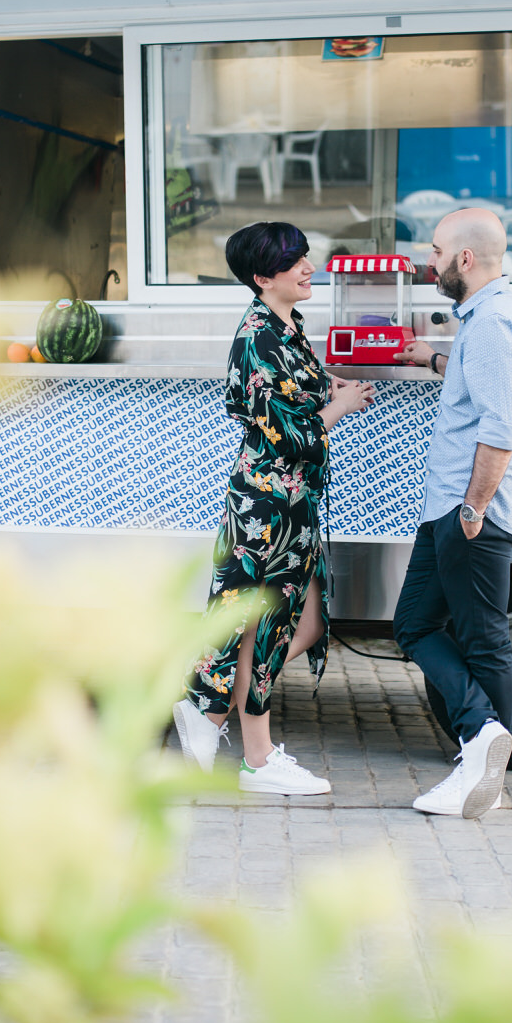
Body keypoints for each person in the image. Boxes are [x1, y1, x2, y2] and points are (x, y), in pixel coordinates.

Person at [173, 221, 374, 795]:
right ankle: (254, 755)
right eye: (295, 262)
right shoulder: (259, 337)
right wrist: (344, 406)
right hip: (269, 506)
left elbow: (295, 391)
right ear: (264, 278)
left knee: (301, 622)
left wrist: (330, 386)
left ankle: (208, 711)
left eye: (307, 256)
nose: (309, 267)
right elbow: (287, 435)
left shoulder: (287, 327)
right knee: (267, 624)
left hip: (289, 503)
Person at [393, 207, 512, 818]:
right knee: (413, 624)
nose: (426, 262)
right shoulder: (482, 321)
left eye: (434, 252)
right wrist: (432, 359)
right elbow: (479, 390)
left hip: (469, 511)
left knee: (482, 641)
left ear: (464, 258)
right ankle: (483, 741)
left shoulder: (491, 325)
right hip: (451, 508)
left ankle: (484, 759)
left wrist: (473, 509)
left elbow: (501, 427)